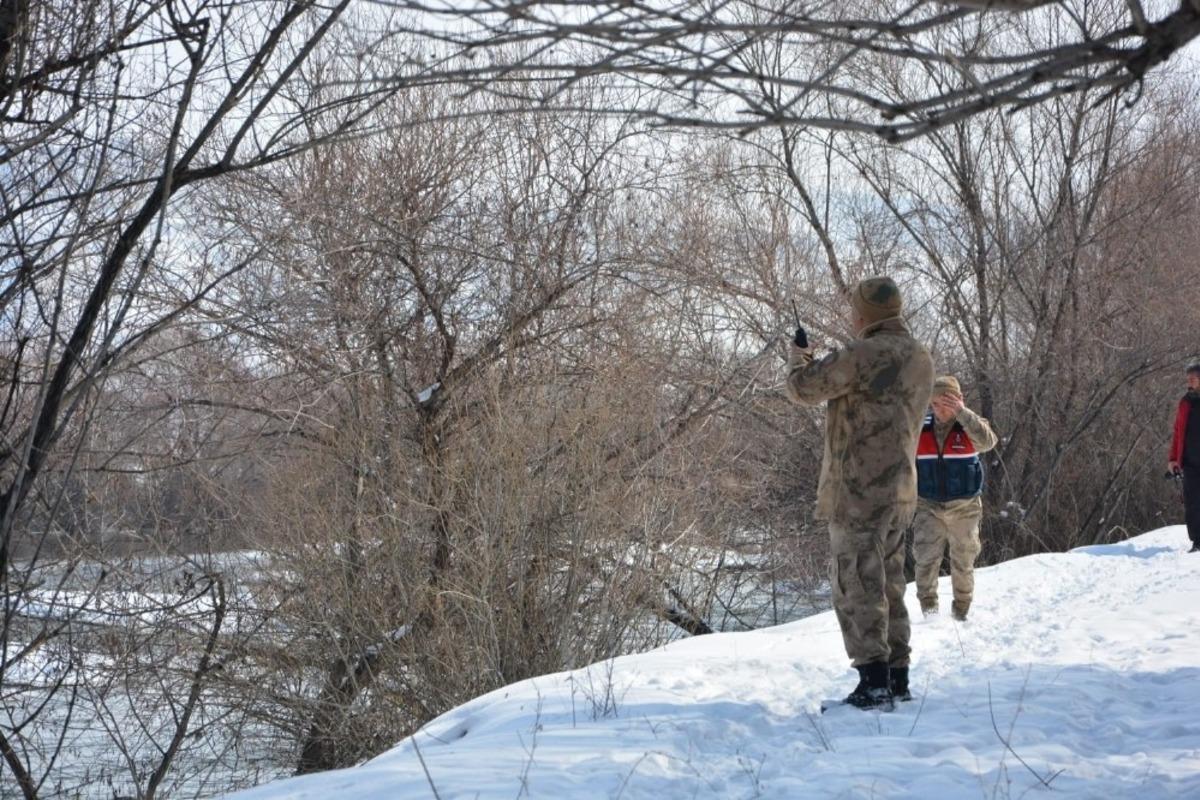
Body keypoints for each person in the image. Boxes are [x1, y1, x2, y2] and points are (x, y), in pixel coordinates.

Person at [786, 276, 934, 711]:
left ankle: (872, 683)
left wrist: (798, 358)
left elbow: (804, 389)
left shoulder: (863, 353)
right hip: (901, 489)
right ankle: (897, 677)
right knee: (890, 583)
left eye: (855, 310)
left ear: (865, 313)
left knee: (856, 583)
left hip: (858, 491)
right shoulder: (919, 355)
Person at [911, 376, 999, 622]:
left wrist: (961, 412)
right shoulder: (919, 427)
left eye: (946, 403)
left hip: (965, 507)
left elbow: (988, 442)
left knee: (963, 560)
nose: (940, 409)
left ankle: (960, 612)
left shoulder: (969, 424)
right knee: (925, 559)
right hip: (928, 505)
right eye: (935, 404)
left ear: (959, 399)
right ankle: (929, 612)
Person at [1168, 364, 1200, 553]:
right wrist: (1173, 459)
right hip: (1190, 462)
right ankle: (1197, 542)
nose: (1189, 382)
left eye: (1192, 378)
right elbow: (1178, 432)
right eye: (1188, 378)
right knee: (1192, 503)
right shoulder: (1185, 402)